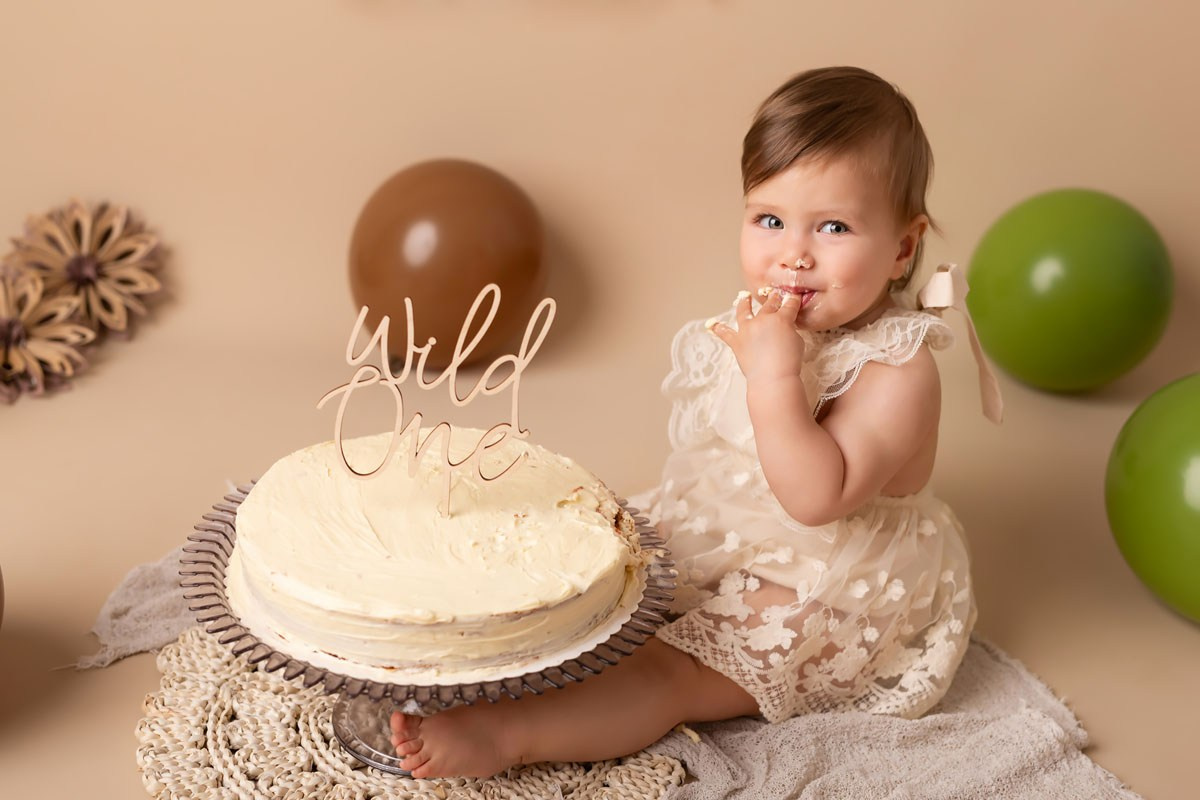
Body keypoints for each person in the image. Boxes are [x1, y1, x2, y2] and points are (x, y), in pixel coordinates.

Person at [389, 65, 1002, 779]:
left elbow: (814, 497)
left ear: (902, 247)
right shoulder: (775, 319)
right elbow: (726, 453)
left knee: (669, 669)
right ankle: (495, 653)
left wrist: (772, 374)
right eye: (769, 219)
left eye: (833, 227)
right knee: (604, 575)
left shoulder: (899, 369)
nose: (792, 253)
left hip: (832, 579)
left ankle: (511, 735)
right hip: (737, 524)